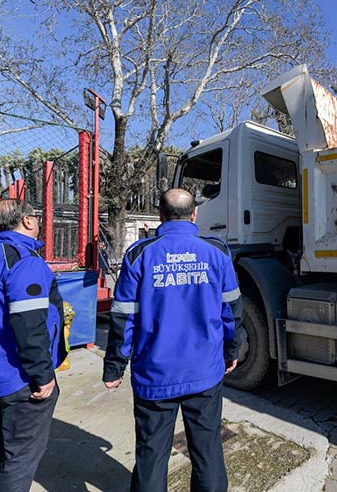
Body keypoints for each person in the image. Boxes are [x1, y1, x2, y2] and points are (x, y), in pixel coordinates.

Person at [103, 188, 245, 492]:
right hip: (203, 372)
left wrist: (114, 367)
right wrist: (232, 349)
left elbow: (123, 317)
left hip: (155, 374)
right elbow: (231, 311)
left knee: (152, 455)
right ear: (194, 214)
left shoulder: (140, 255)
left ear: (160, 215)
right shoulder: (217, 252)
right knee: (207, 452)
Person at [0, 199, 67, 492]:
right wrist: (43, 375)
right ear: (28, 222)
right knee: (19, 457)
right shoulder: (24, 261)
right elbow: (29, 325)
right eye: (37, 217)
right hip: (18, 377)